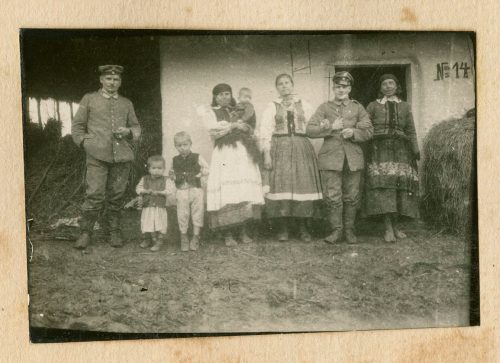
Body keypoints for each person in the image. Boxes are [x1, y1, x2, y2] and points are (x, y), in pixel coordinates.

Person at [71, 65, 141, 249]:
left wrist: (128, 131)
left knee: (117, 195)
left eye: (116, 79)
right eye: (108, 79)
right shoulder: (89, 99)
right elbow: (77, 126)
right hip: (96, 155)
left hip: (121, 156)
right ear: (101, 80)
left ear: (120, 82)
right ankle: (86, 232)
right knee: (94, 194)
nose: (112, 82)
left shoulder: (127, 103)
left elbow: (136, 127)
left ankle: (114, 232)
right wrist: (84, 143)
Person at [306, 71, 373, 244]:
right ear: (333, 88)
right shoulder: (324, 107)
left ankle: (350, 230)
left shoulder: (358, 107)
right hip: (330, 159)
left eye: (344, 86)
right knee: (333, 195)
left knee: (352, 196)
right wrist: (330, 128)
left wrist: (353, 132)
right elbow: (310, 130)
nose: (341, 90)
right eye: (337, 86)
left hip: (353, 159)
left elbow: (369, 131)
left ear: (349, 88)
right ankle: (336, 230)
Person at [198, 83, 264, 246]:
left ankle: (242, 231)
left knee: (242, 192)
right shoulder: (211, 112)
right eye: (220, 94)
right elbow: (213, 131)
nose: (224, 97)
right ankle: (228, 234)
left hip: (242, 153)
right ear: (215, 97)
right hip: (225, 154)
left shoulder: (240, 108)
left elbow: (251, 129)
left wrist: (246, 128)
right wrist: (234, 125)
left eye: (227, 93)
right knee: (228, 193)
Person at [259, 73, 323, 242]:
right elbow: (265, 131)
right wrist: (267, 154)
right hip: (280, 149)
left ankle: (303, 228)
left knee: (303, 186)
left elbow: (313, 126)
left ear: (292, 85)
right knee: (282, 187)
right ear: (277, 88)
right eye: (280, 84)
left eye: (287, 83)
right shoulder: (272, 106)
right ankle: (283, 228)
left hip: (302, 148)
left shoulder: (305, 105)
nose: (284, 86)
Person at [364, 74, 420, 242]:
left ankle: (396, 226)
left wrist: (415, 150)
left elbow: (410, 129)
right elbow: (366, 128)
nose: (388, 86)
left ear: (397, 86)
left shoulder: (405, 106)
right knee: (385, 188)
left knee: (399, 189)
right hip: (379, 150)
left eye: (391, 83)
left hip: (401, 151)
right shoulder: (373, 106)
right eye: (384, 84)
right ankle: (387, 227)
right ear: (380, 88)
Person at [169, 131, 209, 252]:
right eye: (179, 145)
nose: (182, 148)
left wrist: (201, 174)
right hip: (182, 189)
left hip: (196, 189)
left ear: (190, 144)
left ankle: (196, 236)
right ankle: (184, 236)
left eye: (185, 144)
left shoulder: (197, 157)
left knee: (198, 211)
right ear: (175, 146)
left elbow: (207, 168)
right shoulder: (174, 160)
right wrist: (173, 176)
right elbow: (171, 173)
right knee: (182, 213)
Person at [136, 155, 174, 252]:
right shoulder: (145, 179)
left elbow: (170, 190)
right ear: (149, 169)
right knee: (147, 222)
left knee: (159, 223)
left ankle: (159, 241)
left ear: (164, 169)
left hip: (159, 207)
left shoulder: (166, 180)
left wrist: (161, 192)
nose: (157, 170)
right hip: (148, 206)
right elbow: (138, 189)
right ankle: (148, 239)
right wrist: (145, 191)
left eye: (160, 168)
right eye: (154, 168)